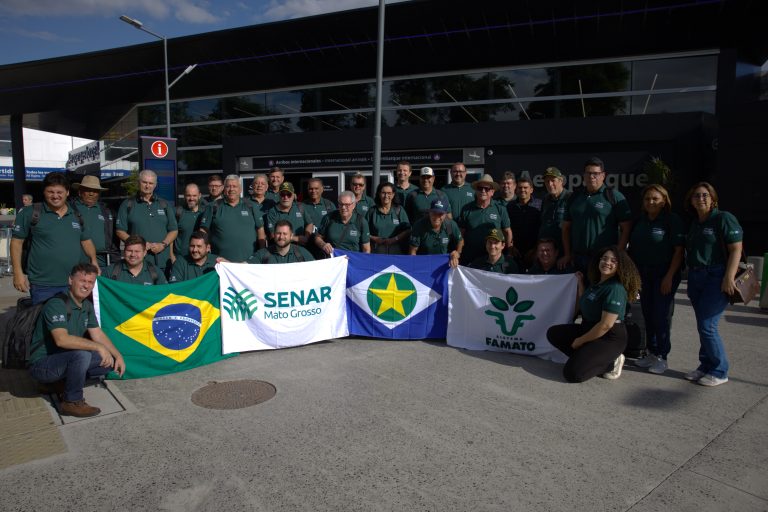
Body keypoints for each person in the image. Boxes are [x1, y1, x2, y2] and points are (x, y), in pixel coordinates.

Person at [28, 263, 126, 417]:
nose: (86, 286)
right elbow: (62, 340)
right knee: (82, 355)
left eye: (90, 282)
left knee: (109, 360)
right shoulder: (56, 304)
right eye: (82, 281)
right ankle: (71, 401)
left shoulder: (86, 305)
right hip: (42, 365)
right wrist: (98, 347)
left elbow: (97, 334)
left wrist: (118, 355)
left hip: (64, 359)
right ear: (70, 280)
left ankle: (59, 383)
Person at [546, 246, 641, 383]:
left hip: (609, 337)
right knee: (554, 333)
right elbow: (586, 301)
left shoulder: (615, 288)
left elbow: (605, 325)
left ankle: (611, 362)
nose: (607, 262)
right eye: (604, 258)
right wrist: (580, 282)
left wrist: (580, 341)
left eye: (613, 261)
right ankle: (588, 358)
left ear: (620, 266)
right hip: (589, 328)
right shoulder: (597, 283)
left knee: (573, 374)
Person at [683, 182, 743, 387]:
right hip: (696, 276)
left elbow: (736, 249)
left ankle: (720, 370)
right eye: (696, 196)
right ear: (691, 201)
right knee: (703, 325)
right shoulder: (695, 223)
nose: (700, 199)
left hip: (716, 277)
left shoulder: (723, 218)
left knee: (708, 326)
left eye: (705, 195)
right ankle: (705, 365)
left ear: (713, 199)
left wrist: (729, 277)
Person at [11, 172, 99, 304]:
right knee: (46, 316)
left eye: (59, 192)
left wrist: (94, 260)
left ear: (67, 192)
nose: (55, 196)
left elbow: (86, 240)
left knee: (75, 316)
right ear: (44, 192)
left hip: (75, 281)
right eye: (50, 192)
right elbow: (16, 243)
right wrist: (17, 273)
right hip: (43, 284)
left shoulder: (77, 214)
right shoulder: (30, 213)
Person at [629, 184, 685, 375]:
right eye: (647, 199)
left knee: (661, 315)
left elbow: (679, 251)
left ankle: (662, 355)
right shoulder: (640, 221)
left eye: (655, 199)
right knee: (647, 313)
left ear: (664, 201)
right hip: (643, 273)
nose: (651, 202)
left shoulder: (671, 220)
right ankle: (651, 352)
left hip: (664, 273)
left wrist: (669, 276)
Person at [558, 157, 632, 273]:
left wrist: (618, 253)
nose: (591, 176)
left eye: (596, 173)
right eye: (588, 173)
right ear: (584, 175)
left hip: (603, 260)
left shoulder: (614, 196)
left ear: (603, 175)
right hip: (577, 259)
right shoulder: (574, 197)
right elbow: (566, 228)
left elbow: (626, 228)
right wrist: (567, 254)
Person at [115, 169, 178, 272]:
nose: (147, 186)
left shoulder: (164, 204)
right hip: (138, 262)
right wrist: (140, 244)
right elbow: (120, 231)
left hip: (163, 261)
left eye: (151, 183)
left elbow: (173, 230)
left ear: (155, 185)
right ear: (138, 183)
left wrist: (163, 245)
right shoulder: (127, 204)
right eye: (144, 182)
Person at [199, 175, 266, 262]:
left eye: (234, 186)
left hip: (248, 263)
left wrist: (262, 254)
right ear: (224, 189)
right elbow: (203, 231)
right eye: (228, 186)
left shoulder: (251, 206)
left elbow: (260, 230)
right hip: (220, 262)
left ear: (240, 189)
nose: (231, 189)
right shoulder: (212, 207)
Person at [456, 174, 513, 266]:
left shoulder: (500, 209)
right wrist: (458, 252)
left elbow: (507, 232)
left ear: (492, 192)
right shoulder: (466, 209)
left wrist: (509, 251)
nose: (483, 191)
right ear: (476, 191)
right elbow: (461, 233)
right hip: (471, 257)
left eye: (486, 189)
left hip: (492, 258)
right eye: (480, 188)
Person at [71, 175, 116, 272]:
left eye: (95, 191)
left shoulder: (107, 210)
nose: (91, 193)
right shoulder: (69, 208)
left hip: (102, 262)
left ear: (99, 193)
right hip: (75, 260)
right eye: (88, 190)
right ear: (80, 191)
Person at [408, 199, 463, 268]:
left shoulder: (450, 225)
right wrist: (414, 266)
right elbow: (413, 251)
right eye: (434, 213)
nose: (437, 217)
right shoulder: (419, 226)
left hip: (444, 263)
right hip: (424, 263)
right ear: (429, 212)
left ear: (445, 214)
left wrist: (457, 253)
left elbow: (460, 240)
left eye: (440, 214)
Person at [507, 176, 542, 269]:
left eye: (525, 187)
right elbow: (507, 228)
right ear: (516, 189)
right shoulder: (510, 206)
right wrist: (511, 247)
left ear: (531, 190)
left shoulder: (540, 205)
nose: (522, 190)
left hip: (535, 253)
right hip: (515, 252)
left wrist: (535, 249)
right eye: (520, 187)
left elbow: (542, 228)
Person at [367, 182, 411, 254]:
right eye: (383, 193)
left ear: (393, 195)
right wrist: (374, 238)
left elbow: (408, 230)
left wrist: (395, 239)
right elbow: (364, 232)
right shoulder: (372, 211)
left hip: (396, 250)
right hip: (377, 250)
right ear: (379, 194)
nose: (386, 196)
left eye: (389, 193)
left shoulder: (399, 210)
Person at [249, 220, 315, 264]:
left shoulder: (302, 253)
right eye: (278, 233)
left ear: (291, 236)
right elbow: (245, 267)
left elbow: (316, 268)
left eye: (285, 234)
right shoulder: (263, 254)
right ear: (274, 235)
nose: (281, 237)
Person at [538, 166, 571, 252]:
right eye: (547, 181)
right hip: (546, 251)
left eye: (553, 180)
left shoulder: (570, 198)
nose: (550, 184)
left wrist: (568, 254)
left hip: (564, 251)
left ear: (561, 181)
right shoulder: (545, 199)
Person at [172, 183, 204, 264]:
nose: (191, 198)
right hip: (181, 260)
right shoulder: (177, 212)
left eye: (194, 195)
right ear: (184, 196)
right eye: (188, 195)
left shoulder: (205, 212)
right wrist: (172, 257)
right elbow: (170, 235)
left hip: (201, 259)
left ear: (199, 196)